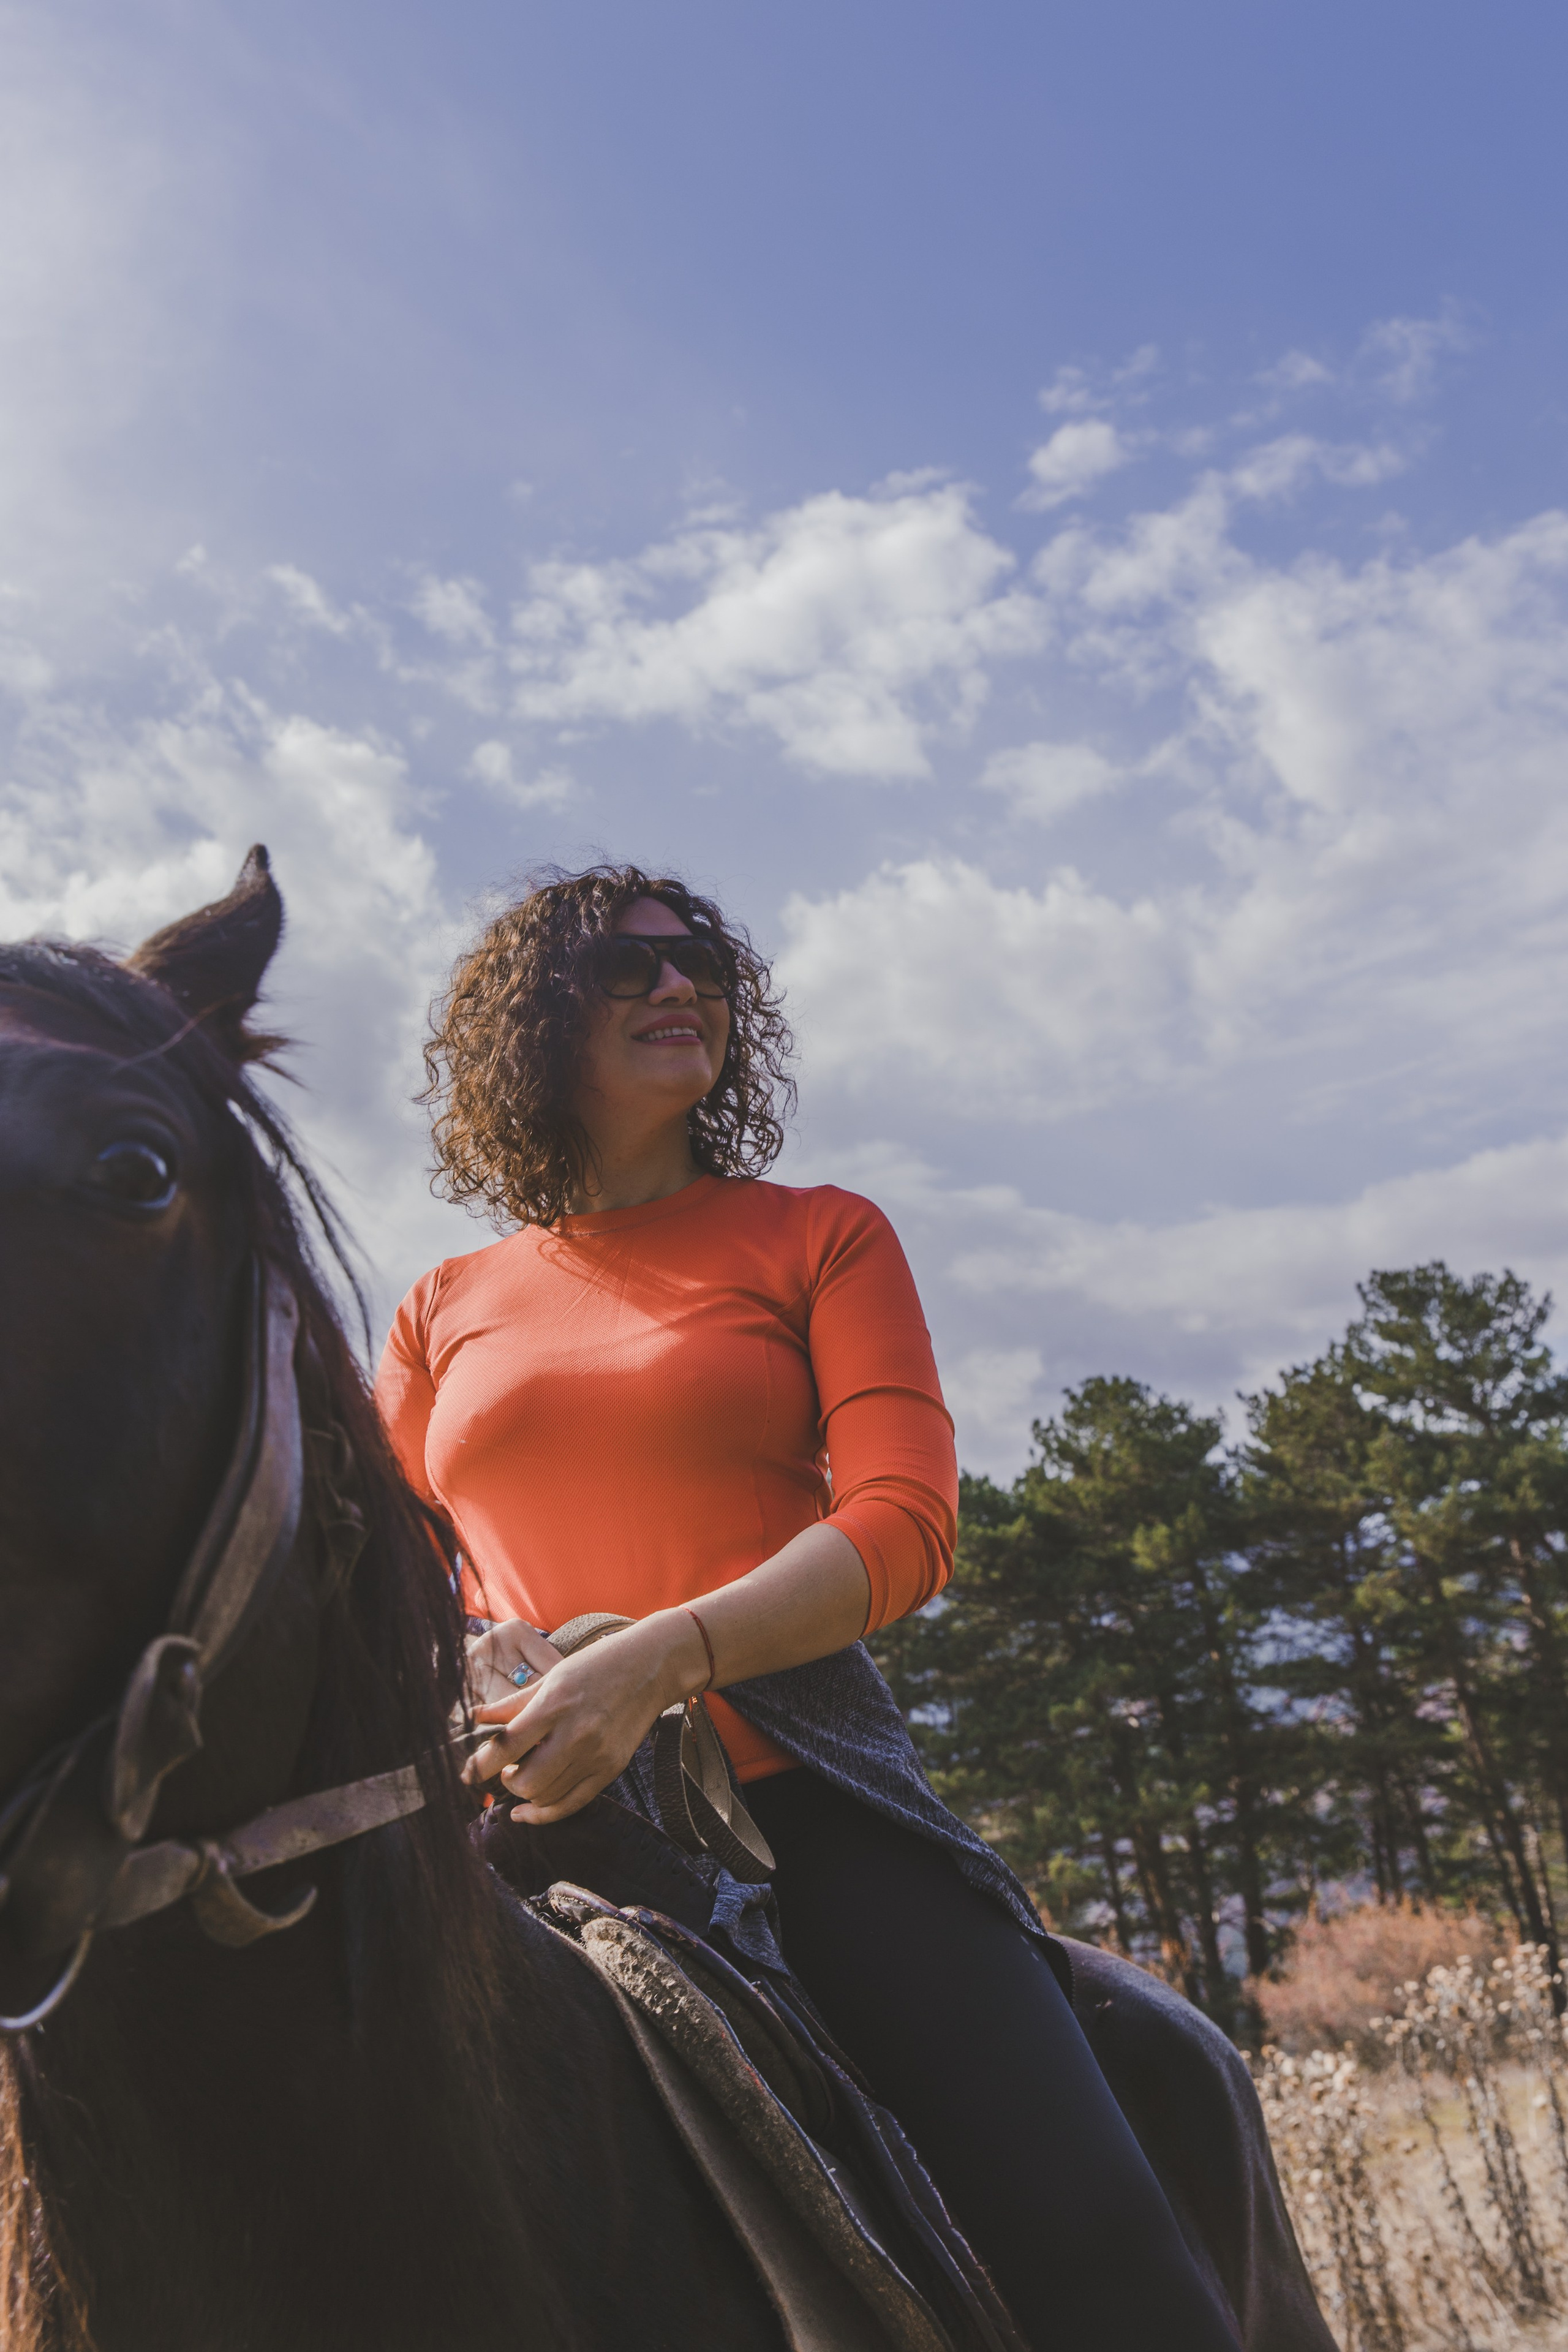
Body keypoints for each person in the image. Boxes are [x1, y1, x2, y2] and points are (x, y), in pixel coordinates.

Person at [374, 862, 1238, 2351]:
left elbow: (904, 1522)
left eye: (697, 957)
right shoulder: (441, 1303)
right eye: (628, 965)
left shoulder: (819, 1234)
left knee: (1100, 2256)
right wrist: (459, 1644)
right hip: (515, 1822)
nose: (678, 982)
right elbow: (383, 1562)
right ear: (533, 1026)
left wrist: (663, 1658)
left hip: (807, 1808)